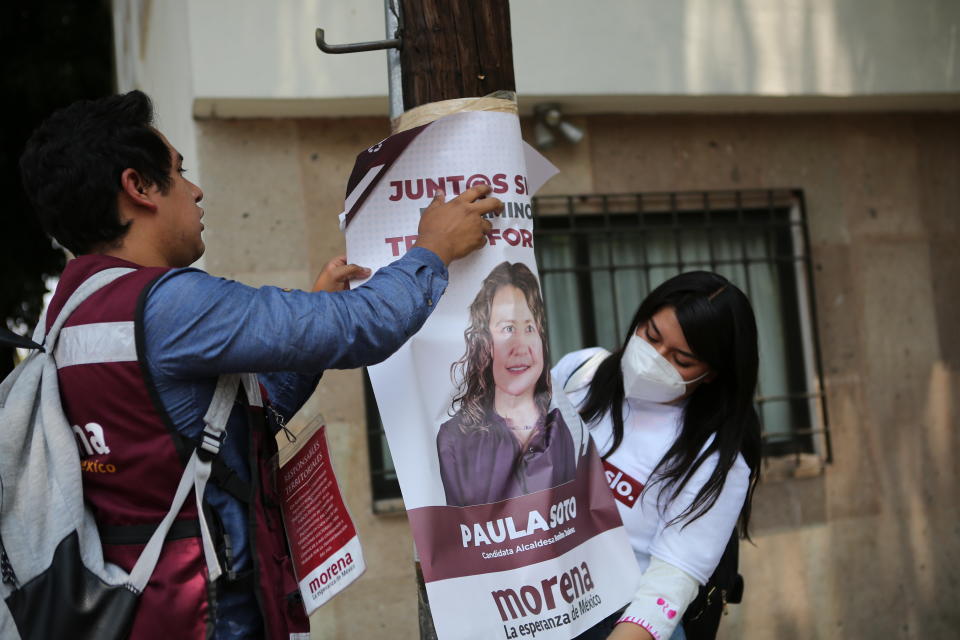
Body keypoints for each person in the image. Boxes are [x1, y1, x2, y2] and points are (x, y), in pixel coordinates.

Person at [17, 90, 501, 639]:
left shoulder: (68, 313)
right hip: (208, 618)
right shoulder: (168, 304)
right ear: (139, 187)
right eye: (179, 172)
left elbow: (222, 427)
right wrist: (433, 248)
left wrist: (308, 332)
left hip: (141, 611)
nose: (195, 191)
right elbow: (363, 327)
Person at [554, 272, 762, 640]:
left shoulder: (714, 456)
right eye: (650, 336)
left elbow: (670, 582)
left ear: (711, 373)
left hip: (621, 621)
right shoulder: (581, 373)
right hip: (530, 599)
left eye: (681, 359)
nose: (654, 360)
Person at [437, 261, 576, 507]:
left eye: (530, 328)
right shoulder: (454, 438)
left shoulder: (559, 426)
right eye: (508, 328)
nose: (521, 346)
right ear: (483, 343)